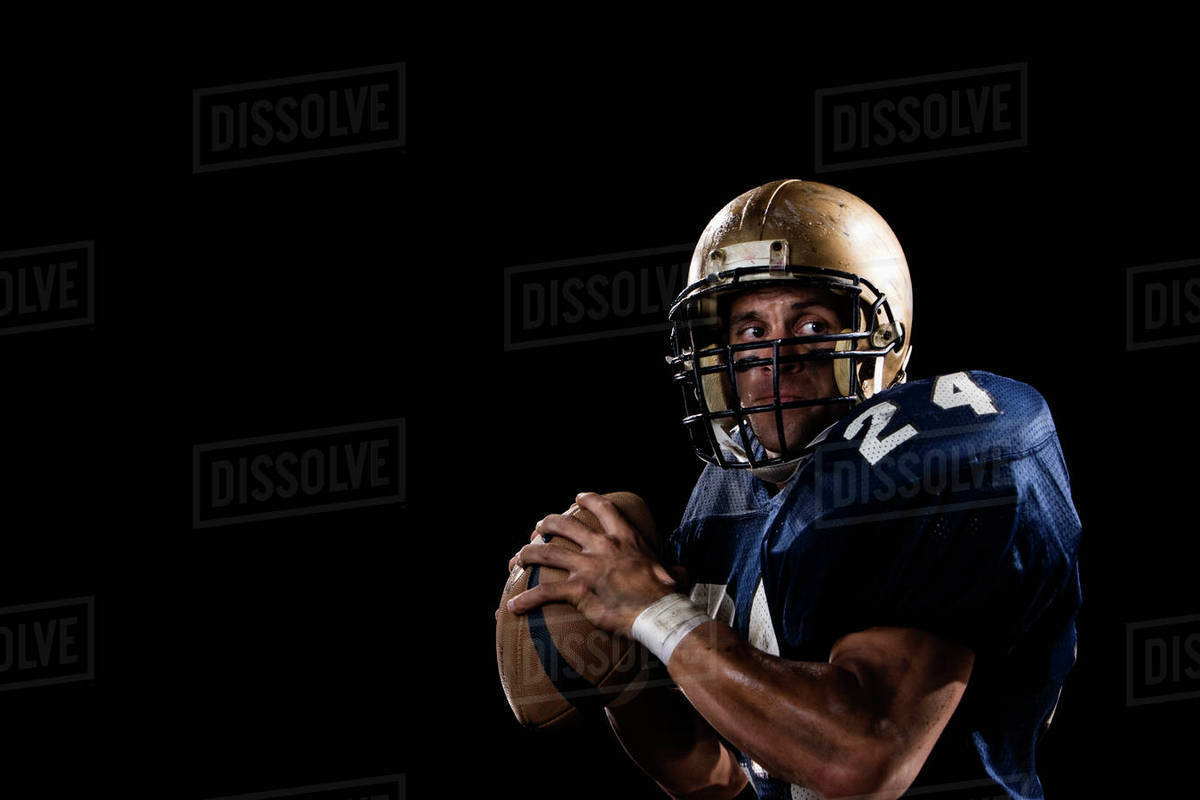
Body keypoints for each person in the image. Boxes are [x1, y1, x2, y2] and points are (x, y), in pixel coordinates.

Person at [505, 179, 1082, 799]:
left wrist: (654, 610)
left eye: (811, 323)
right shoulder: (722, 501)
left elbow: (864, 761)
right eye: (750, 331)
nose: (778, 356)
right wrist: (633, 677)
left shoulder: (933, 462)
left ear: (877, 342)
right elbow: (724, 782)